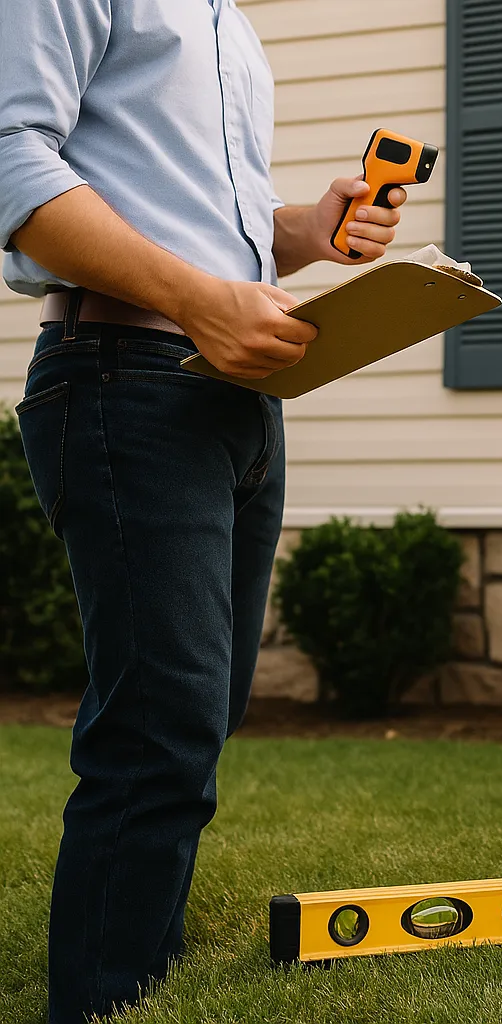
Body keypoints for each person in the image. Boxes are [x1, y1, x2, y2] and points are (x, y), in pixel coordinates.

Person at [0, 2, 407, 1020]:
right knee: (157, 726)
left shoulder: (225, 19)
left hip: (228, 387)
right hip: (123, 374)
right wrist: (196, 300)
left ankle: (143, 976)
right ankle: (100, 1000)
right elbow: (10, 155)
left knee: (197, 716)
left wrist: (301, 234)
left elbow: (185, 215)